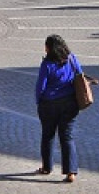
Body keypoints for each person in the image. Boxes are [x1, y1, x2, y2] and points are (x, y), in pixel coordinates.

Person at [34, 35, 83, 182]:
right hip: (70, 103)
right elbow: (79, 74)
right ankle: (71, 171)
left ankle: (47, 167)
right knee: (67, 136)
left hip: (49, 104)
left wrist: (39, 102)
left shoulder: (47, 64)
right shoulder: (72, 58)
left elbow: (40, 87)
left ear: (49, 48)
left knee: (48, 135)